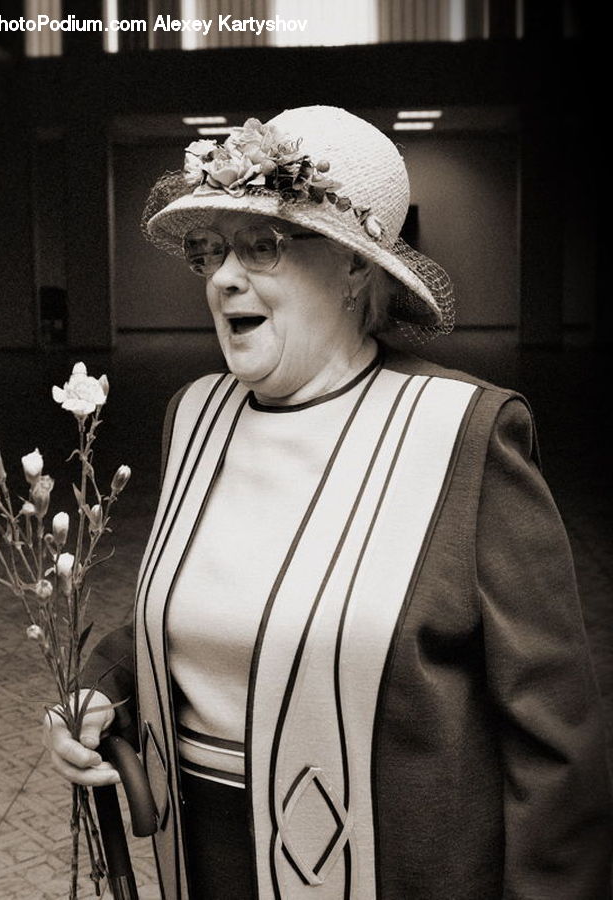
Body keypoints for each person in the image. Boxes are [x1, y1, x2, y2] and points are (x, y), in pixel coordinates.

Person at [43, 106, 613, 899]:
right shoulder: (195, 416)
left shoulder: (465, 435)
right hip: (205, 865)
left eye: (263, 246)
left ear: (354, 269)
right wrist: (104, 688)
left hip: (397, 872)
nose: (222, 278)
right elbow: (197, 609)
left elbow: (558, 745)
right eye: (212, 251)